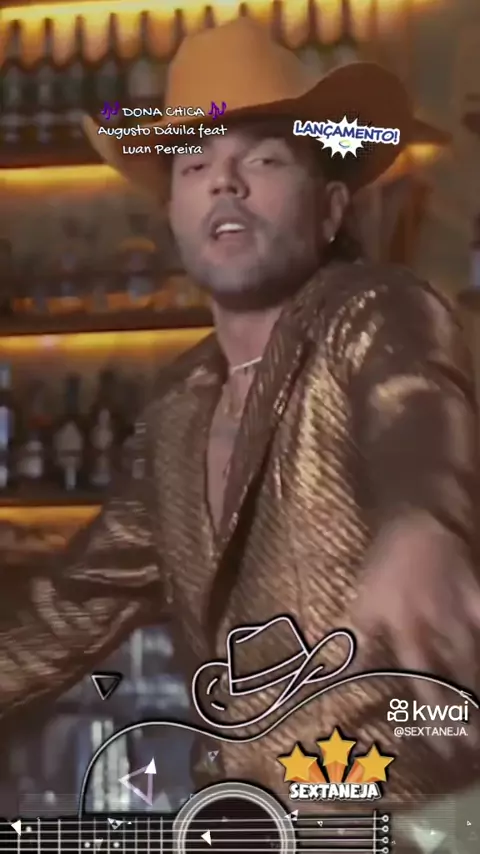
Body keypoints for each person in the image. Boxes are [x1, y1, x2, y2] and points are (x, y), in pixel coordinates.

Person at [1, 16, 480, 830]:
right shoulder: (177, 412)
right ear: (174, 217)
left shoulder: (374, 311)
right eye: (196, 166)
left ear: (331, 209)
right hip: (249, 823)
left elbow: (413, 401)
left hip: (413, 820)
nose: (225, 182)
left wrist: (421, 525)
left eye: (262, 160)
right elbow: (71, 606)